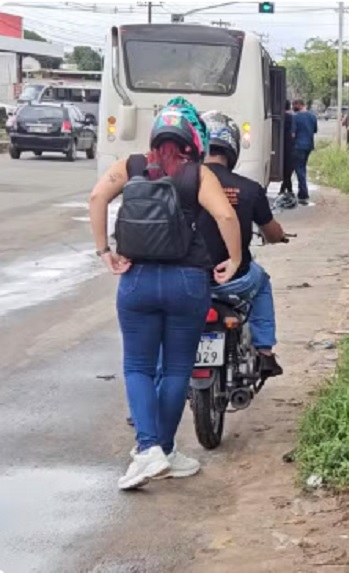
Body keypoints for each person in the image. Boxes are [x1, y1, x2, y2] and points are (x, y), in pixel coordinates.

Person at [87, 98, 241, 490]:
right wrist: (235, 259)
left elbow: (97, 197)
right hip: (187, 283)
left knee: (138, 367)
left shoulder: (132, 165)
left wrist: (104, 251)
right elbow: (225, 215)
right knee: (177, 370)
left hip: (136, 279)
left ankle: (149, 449)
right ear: (195, 139)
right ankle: (163, 451)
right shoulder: (198, 174)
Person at [199, 110, 288, 378]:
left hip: (191, 279)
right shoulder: (249, 189)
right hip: (237, 279)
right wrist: (279, 236)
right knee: (262, 282)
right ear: (233, 147)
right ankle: (265, 351)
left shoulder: (184, 183)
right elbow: (271, 231)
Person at [291, 99, 317, 205]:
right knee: (303, 167)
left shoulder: (295, 117)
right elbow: (315, 130)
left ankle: (303, 192)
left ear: (299, 105)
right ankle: (302, 191)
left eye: (294, 105)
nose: (293, 107)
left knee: (299, 169)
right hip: (309, 146)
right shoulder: (312, 116)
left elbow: (293, 134)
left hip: (298, 146)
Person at [279, 100, 295, 199]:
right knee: (288, 170)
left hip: (281, 146)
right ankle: (288, 190)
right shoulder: (291, 118)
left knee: (286, 170)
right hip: (289, 146)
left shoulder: (281, 117)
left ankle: (285, 189)